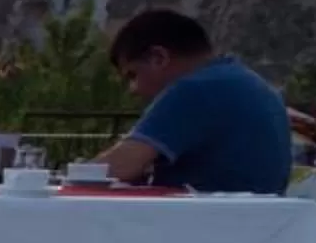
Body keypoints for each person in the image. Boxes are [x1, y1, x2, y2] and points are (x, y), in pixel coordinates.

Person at [101, 11, 295, 194]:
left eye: (133, 75)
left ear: (158, 58)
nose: (133, 90)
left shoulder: (195, 89)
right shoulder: (249, 82)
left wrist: (75, 173)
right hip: (258, 219)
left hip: (206, 223)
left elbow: (115, 168)